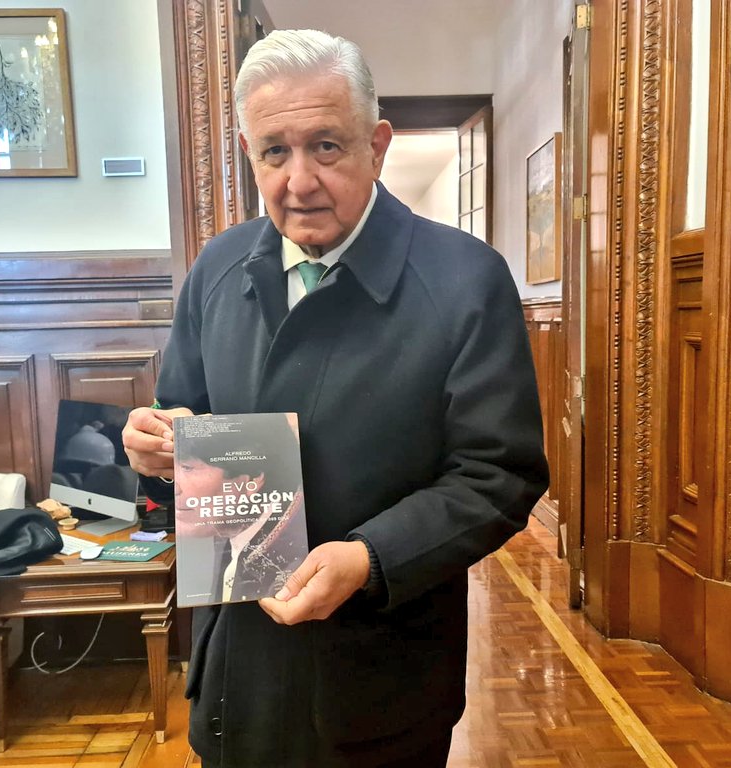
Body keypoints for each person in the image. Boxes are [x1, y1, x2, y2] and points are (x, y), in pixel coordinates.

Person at [123, 28, 548, 768]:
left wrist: (371, 558)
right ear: (249, 153)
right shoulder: (217, 268)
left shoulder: (465, 279)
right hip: (237, 675)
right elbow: (182, 424)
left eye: (326, 146)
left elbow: (499, 475)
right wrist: (159, 450)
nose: (299, 182)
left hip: (381, 677)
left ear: (376, 146)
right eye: (274, 152)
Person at [173, 412, 307, 604]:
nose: (175, 486)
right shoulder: (232, 534)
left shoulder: (290, 561)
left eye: (187, 467)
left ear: (252, 479)